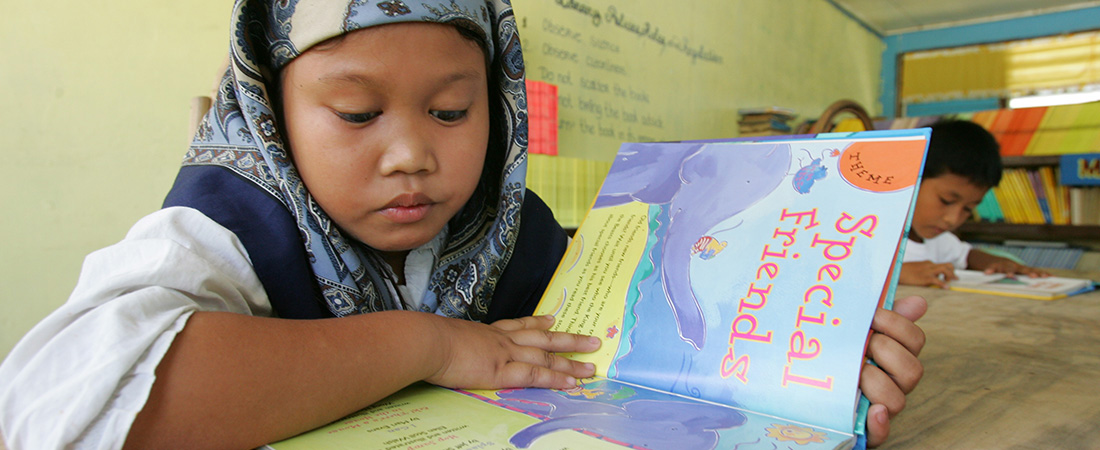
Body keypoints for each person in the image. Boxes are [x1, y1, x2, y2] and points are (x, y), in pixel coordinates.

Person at [0, 1, 925, 449]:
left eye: (452, 112)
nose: (412, 155)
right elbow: (62, 408)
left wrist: (814, 353)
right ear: (272, 119)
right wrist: (425, 346)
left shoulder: (516, 232)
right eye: (358, 116)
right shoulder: (220, 233)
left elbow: (640, 340)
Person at [900, 119, 1050, 288]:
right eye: (946, 200)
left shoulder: (936, 240)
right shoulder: (870, 230)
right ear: (910, 178)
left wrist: (998, 263)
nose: (953, 220)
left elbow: (967, 255)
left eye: (968, 209)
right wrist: (899, 274)